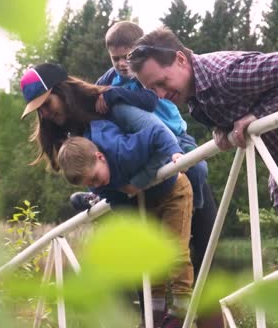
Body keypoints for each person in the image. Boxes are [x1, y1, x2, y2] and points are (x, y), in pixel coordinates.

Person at [128, 28, 278, 328]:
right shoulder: (196, 96)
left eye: (161, 82)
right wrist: (221, 130)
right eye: (151, 89)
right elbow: (233, 113)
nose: (159, 94)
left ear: (181, 60)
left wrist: (256, 115)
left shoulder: (225, 73)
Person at [19, 63, 203, 327]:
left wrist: (138, 181)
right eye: (39, 111)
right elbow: (106, 184)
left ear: (60, 91)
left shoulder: (103, 105)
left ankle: (183, 313)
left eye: (46, 104)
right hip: (132, 193)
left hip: (168, 176)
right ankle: (154, 316)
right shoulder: (66, 134)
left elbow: (156, 130)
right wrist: (109, 193)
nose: (45, 114)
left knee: (179, 251)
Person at [98, 20, 218, 278]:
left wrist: (115, 95)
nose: (121, 64)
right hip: (150, 145)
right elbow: (97, 93)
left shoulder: (144, 77)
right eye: (114, 58)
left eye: (126, 57)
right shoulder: (111, 80)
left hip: (176, 134)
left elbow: (150, 101)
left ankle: (195, 208)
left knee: (197, 168)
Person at [57, 129, 193, 328]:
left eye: (94, 178)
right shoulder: (99, 182)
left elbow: (155, 133)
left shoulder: (125, 150)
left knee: (175, 251)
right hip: (147, 203)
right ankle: (155, 311)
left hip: (174, 192)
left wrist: (174, 151)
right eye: (90, 184)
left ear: (100, 157)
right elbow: (116, 202)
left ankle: (182, 308)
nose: (95, 184)